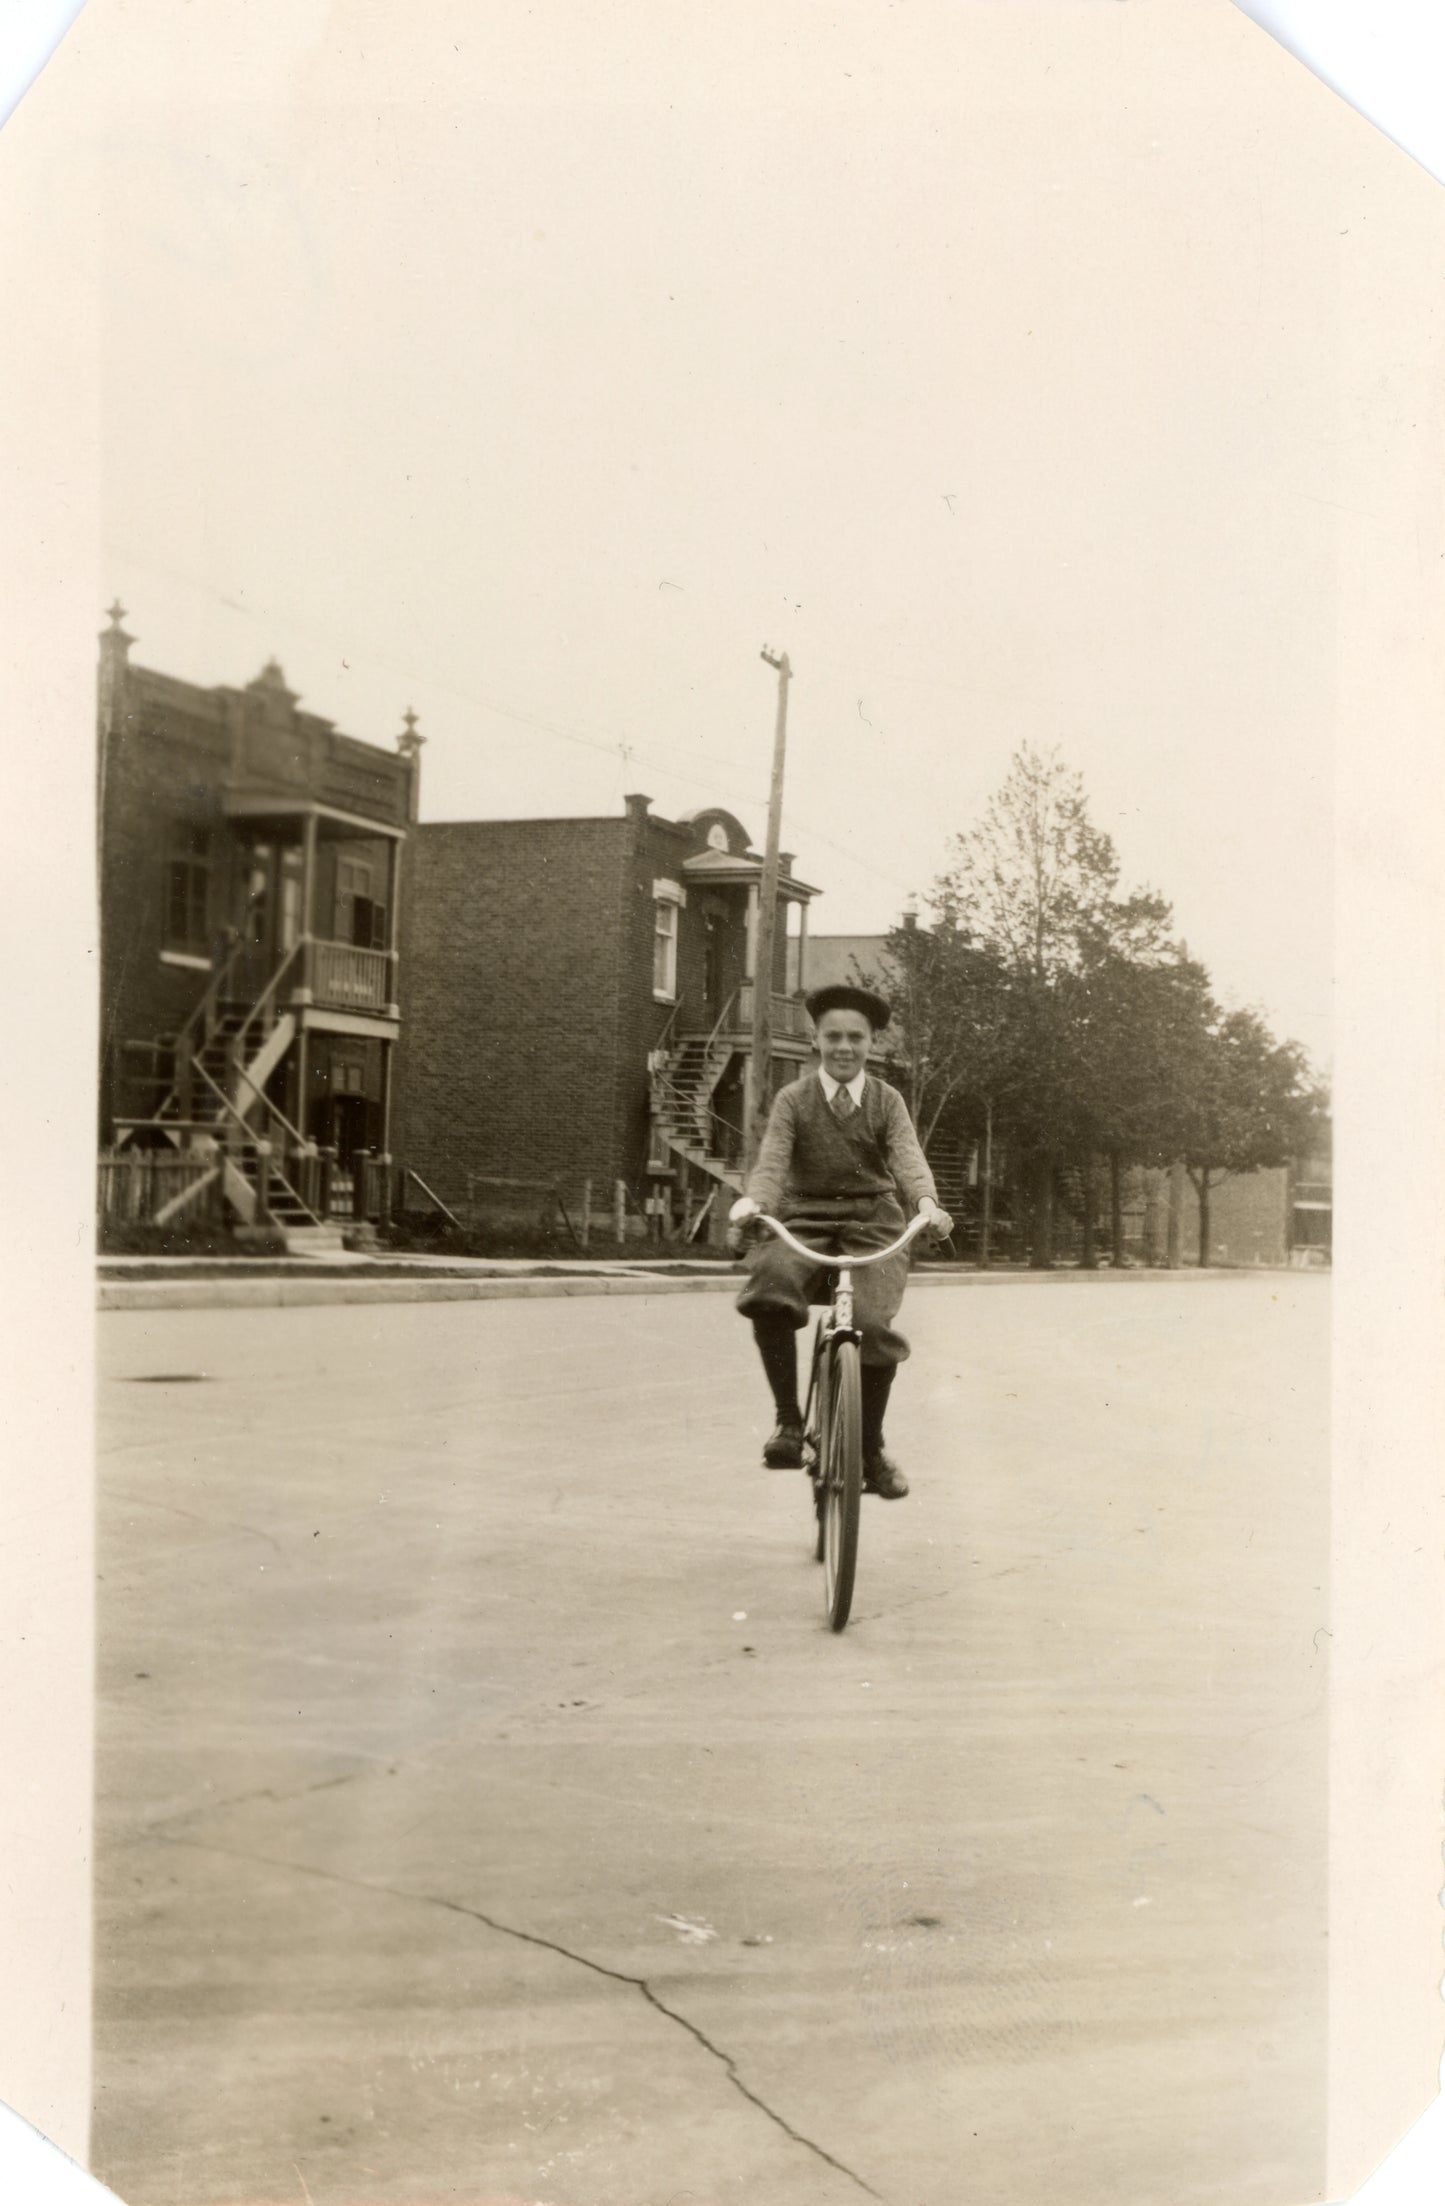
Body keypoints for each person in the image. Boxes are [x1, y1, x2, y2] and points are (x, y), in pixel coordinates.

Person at [727, 983, 953, 1501]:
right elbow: (773, 1162)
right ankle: (788, 1423)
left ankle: (869, 1450)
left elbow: (908, 1158)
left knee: (872, 1324)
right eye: (834, 1037)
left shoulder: (887, 1101)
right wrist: (755, 1204)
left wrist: (925, 1205)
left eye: (856, 1037)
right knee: (770, 1281)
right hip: (803, 1214)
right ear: (816, 1040)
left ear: (872, 1042)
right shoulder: (794, 1099)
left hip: (873, 1220)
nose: (844, 1047)